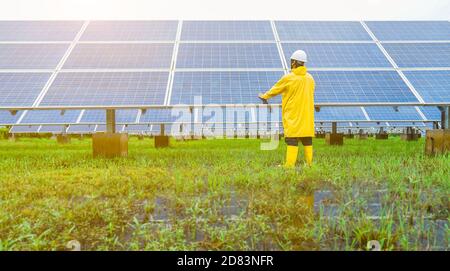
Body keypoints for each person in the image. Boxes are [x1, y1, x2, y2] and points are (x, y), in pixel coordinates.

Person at [259, 50, 315, 168]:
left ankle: (289, 165)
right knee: (307, 138)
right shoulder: (310, 78)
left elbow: (276, 89)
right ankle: (309, 164)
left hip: (293, 114)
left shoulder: (289, 77)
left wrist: (264, 96)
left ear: (294, 62)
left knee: (292, 139)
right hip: (307, 114)